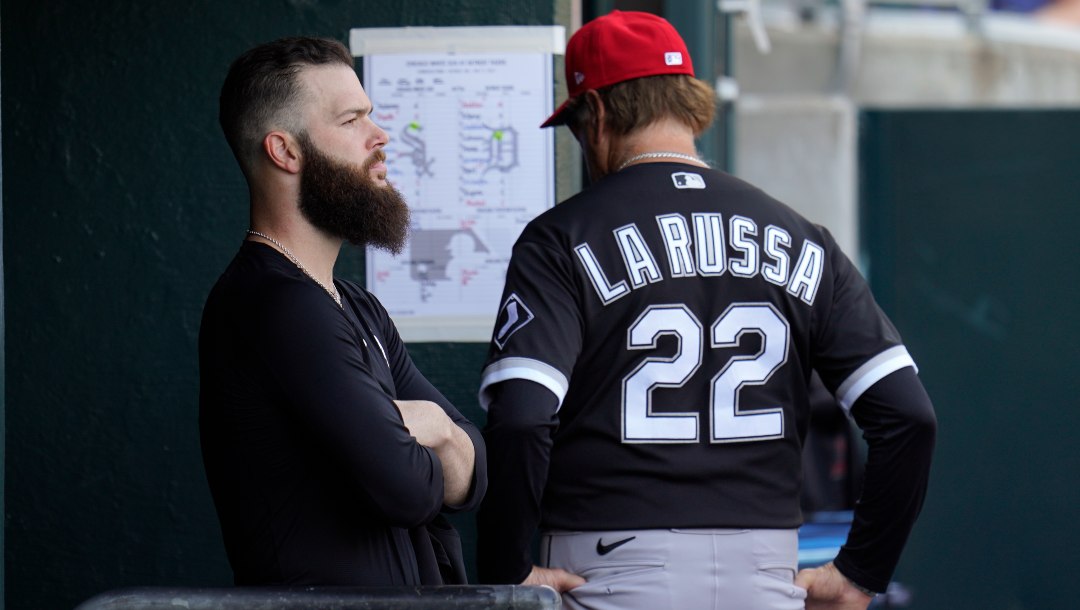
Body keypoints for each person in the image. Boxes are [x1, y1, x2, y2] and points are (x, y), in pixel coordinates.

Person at [475, 11, 936, 610]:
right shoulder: (800, 236)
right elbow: (908, 416)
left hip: (613, 568)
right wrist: (861, 570)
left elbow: (521, 417)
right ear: (689, 106)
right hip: (767, 572)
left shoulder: (560, 237)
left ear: (600, 118)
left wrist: (506, 568)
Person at [200, 36, 487, 587]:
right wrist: (432, 432)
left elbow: (475, 473)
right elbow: (406, 489)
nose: (380, 137)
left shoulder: (355, 306)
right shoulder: (274, 305)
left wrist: (439, 432)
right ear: (286, 151)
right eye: (352, 120)